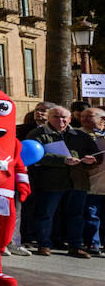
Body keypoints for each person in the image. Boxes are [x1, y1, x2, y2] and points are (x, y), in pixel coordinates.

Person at [25, 105, 97, 257]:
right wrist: (63, 160)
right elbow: (34, 155)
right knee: (46, 214)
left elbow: (96, 155)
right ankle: (44, 244)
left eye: (64, 117)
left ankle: (75, 246)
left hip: (77, 182)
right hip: (50, 183)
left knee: (76, 215)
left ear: (70, 119)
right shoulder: (37, 134)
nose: (61, 120)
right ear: (49, 118)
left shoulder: (79, 135)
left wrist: (92, 160)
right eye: (56, 117)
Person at [80, 107, 105, 256]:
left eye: (89, 117)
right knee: (91, 217)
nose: (84, 119)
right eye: (83, 116)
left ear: (102, 119)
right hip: (91, 185)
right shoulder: (77, 135)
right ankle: (93, 244)